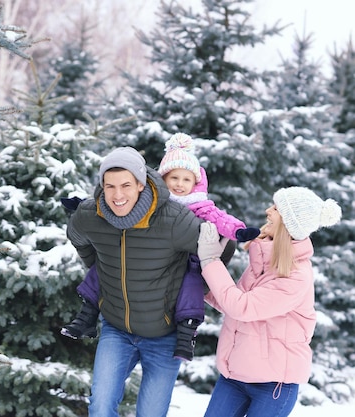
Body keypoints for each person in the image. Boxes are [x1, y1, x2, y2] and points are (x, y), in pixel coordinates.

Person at [61, 133, 260, 361]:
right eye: (174, 178)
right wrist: (80, 205)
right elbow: (116, 197)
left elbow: (221, 221)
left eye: (186, 180)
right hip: (150, 259)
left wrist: (238, 231)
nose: (179, 184)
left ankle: (186, 334)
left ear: (195, 183)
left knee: (190, 287)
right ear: (163, 178)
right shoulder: (152, 202)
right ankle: (86, 316)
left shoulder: (200, 205)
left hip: (187, 261)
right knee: (106, 265)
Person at [65, 145, 205, 417]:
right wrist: (100, 266)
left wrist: (195, 288)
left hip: (164, 336)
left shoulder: (174, 220)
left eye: (126, 185)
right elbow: (77, 237)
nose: (117, 195)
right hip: (116, 330)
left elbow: (218, 252)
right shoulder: (90, 215)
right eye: (110, 186)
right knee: (100, 407)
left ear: (141, 184)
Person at [196, 187, 342, 417]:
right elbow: (236, 303)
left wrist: (211, 261)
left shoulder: (295, 275)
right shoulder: (265, 260)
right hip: (234, 376)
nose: (268, 211)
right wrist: (201, 286)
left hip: (273, 386)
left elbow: (242, 307)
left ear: (288, 223)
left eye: (275, 209)